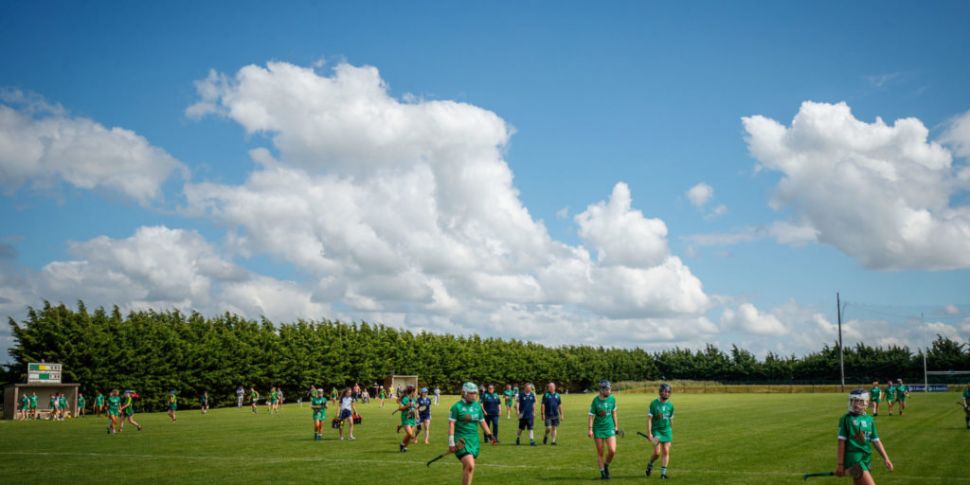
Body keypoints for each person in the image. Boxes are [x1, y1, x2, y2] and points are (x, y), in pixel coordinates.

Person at [837, 389, 893, 484]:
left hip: (866, 458)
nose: (855, 403)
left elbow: (876, 440)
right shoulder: (846, 419)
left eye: (859, 401)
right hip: (854, 459)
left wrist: (886, 458)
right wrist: (840, 464)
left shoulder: (869, 419)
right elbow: (841, 443)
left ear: (866, 402)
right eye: (853, 400)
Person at [448, 382, 493, 485]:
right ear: (464, 393)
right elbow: (451, 425)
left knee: (467, 468)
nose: (474, 395)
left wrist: (490, 435)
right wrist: (451, 443)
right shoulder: (456, 407)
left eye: (475, 393)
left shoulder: (477, 406)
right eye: (471, 393)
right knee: (470, 465)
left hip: (474, 441)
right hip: (461, 441)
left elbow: (482, 421)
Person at [588, 379, 618, 480]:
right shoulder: (595, 401)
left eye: (610, 389)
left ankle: (606, 465)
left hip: (609, 428)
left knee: (612, 450)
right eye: (607, 389)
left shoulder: (612, 399)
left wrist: (616, 426)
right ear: (601, 390)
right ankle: (603, 474)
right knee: (600, 452)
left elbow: (614, 412)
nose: (609, 391)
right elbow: (591, 416)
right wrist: (590, 429)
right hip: (598, 429)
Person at [646, 383, 675, 479]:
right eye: (665, 391)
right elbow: (649, 419)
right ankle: (650, 464)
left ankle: (663, 473)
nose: (667, 393)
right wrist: (649, 433)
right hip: (656, 431)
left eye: (668, 392)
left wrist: (670, 430)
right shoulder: (653, 404)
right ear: (660, 392)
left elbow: (671, 419)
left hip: (667, 431)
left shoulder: (671, 405)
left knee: (666, 451)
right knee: (657, 452)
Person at [398, 386, 417, 452]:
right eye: (415, 391)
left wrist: (416, 409)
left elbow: (414, 408)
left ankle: (405, 447)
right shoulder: (405, 399)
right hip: (406, 418)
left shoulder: (414, 399)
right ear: (412, 392)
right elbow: (400, 408)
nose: (415, 393)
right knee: (410, 434)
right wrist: (406, 406)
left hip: (412, 418)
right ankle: (402, 444)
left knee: (409, 435)